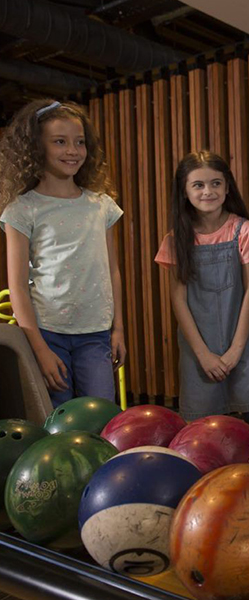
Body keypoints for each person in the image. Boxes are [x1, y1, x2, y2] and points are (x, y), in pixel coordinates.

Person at [0, 100, 126, 407]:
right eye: (60, 142)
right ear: (35, 148)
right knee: (56, 422)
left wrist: (118, 327)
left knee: (100, 417)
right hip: (47, 333)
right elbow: (17, 285)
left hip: (95, 333)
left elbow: (112, 270)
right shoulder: (22, 209)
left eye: (79, 142)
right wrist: (39, 349)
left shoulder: (100, 205)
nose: (72, 150)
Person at [155, 151, 249, 429]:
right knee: (201, 425)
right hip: (198, 344)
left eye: (216, 183)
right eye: (199, 185)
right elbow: (178, 300)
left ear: (227, 187)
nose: (209, 191)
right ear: (184, 191)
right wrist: (203, 354)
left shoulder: (244, 230)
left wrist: (236, 350)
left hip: (241, 339)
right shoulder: (175, 239)